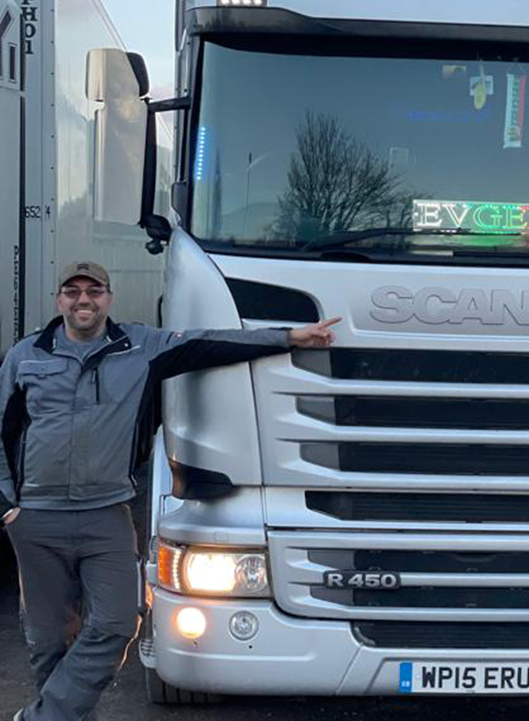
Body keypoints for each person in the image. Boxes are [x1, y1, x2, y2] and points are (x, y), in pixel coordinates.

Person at [0, 261, 341, 721]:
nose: (84, 299)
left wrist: (289, 337)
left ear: (109, 298)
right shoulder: (26, 355)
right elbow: (3, 430)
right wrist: (10, 506)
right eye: (73, 291)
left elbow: (210, 343)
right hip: (37, 517)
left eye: (94, 290)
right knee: (47, 640)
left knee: (120, 622)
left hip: (106, 514)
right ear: (58, 300)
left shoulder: (142, 347)